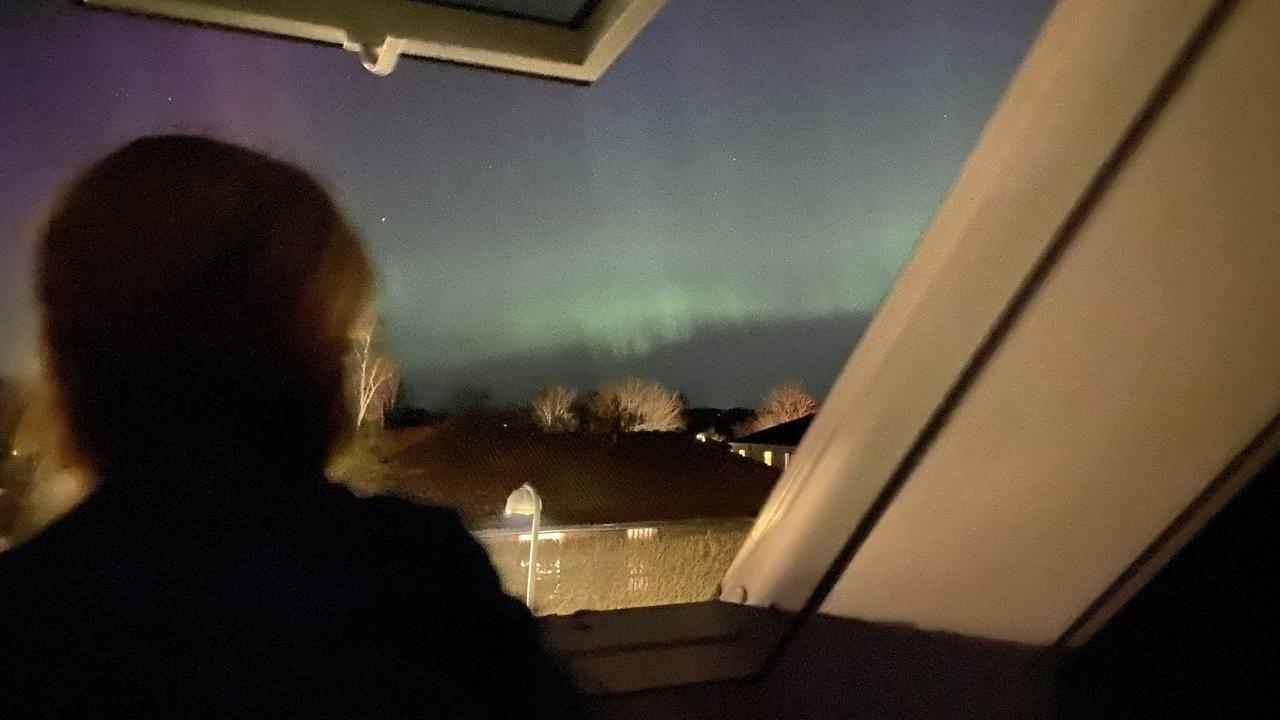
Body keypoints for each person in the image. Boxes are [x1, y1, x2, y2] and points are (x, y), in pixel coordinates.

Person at [0, 136, 587, 719]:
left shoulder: (32, 623)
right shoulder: (420, 579)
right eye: (345, 342)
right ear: (314, 368)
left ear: (69, 361)